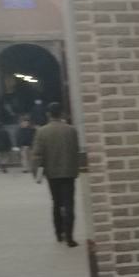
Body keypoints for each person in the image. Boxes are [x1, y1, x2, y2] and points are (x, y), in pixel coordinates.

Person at [31, 102, 81, 247]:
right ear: (62, 113)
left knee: (56, 203)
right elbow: (75, 151)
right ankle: (70, 237)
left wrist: (37, 174)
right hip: (68, 172)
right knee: (69, 204)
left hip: (52, 174)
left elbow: (37, 155)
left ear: (48, 114)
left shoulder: (42, 131)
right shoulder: (71, 130)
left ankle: (59, 234)